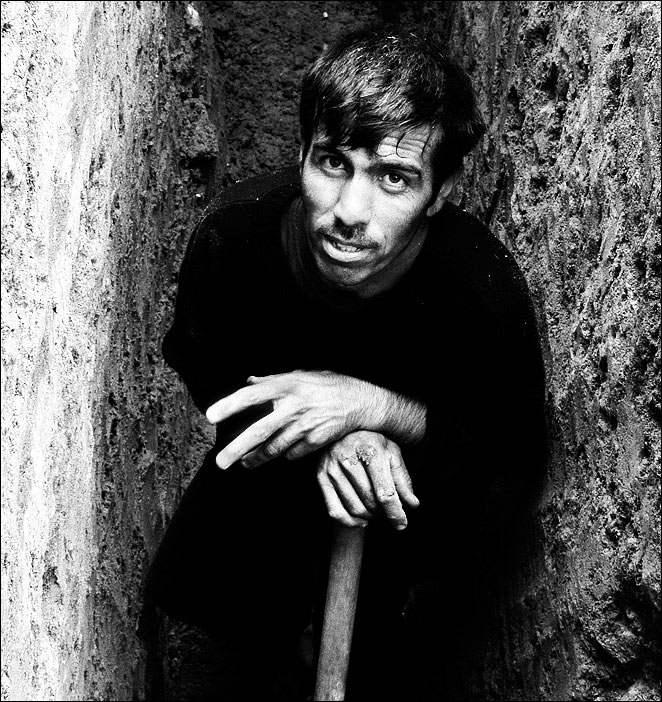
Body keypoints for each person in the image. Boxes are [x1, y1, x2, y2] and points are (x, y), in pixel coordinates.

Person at [146, 26, 547, 701]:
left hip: (405, 542)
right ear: (301, 152)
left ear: (441, 190)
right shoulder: (233, 241)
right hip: (252, 518)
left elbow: (510, 458)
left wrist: (378, 411)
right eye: (333, 163)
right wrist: (321, 438)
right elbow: (204, 366)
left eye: (394, 178)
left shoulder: (480, 294)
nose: (350, 213)